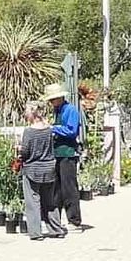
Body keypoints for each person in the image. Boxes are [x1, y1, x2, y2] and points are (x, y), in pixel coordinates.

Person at [18, 102, 66, 240]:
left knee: (33, 202)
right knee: (49, 201)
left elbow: (25, 152)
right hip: (49, 168)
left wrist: (19, 150)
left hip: (32, 169)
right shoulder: (48, 129)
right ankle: (56, 229)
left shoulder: (29, 131)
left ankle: (36, 233)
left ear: (31, 113)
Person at [44, 82, 83, 229]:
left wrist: (53, 128)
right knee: (57, 188)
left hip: (68, 153)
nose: (51, 102)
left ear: (60, 97)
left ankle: (74, 220)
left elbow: (72, 131)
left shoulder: (70, 110)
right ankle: (56, 220)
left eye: (53, 99)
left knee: (69, 187)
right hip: (57, 153)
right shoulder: (57, 111)